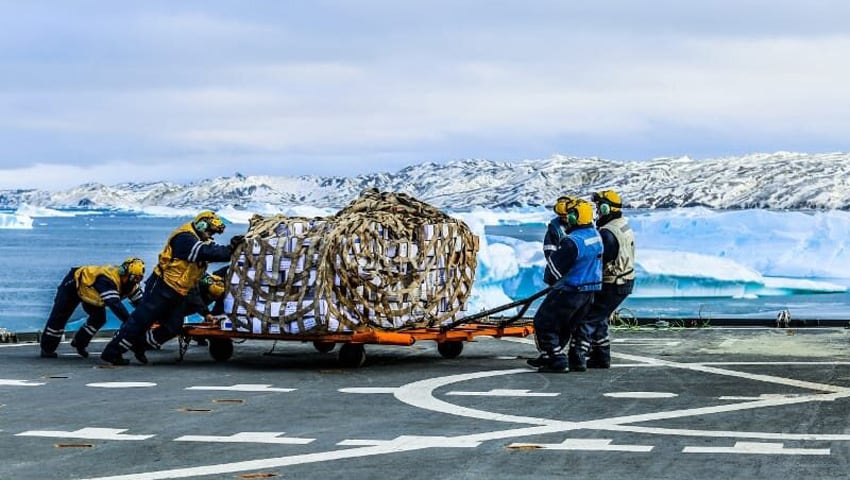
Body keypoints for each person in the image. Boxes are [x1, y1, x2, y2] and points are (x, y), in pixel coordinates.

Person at [100, 211, 242, 365]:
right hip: (161, 287)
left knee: (173, 327)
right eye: (210, 231)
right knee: (140, 321)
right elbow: (204, 252)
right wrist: (230, 249)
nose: (210, 235)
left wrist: (205, 312)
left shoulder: (201, 241)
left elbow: (194, 280)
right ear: (202, 224)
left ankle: (140, 345)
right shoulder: (184, 237)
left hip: (179, 292)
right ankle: (111, 353)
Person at [528, 197, 603, 372]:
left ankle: (556, 358)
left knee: (544, 321)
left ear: (575, 217)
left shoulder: (573, 241)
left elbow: (554, 270)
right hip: (589, 291)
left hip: (571, 289)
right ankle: (558, 357)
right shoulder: (596, 236)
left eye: (570, 215)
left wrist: (552, 283)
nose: (567, 218)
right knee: (568, 324)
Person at [39, 257, 145, 358]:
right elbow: (115, 305)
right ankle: (47, 348)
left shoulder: (131, 286)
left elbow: (143, 304)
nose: (132, 281)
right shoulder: (108, 279)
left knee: (98, 319)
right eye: (131, 277)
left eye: (137, 279)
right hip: (74, 284)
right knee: (59, 316)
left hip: (92, 293)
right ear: (123, 271)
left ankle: (79, 342)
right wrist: (130, 322)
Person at [577, 189, 635, 369]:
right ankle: (601, 356)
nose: (597, 211)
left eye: (598, 207)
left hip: (613, 282)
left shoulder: (608, 233)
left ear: (606, 208)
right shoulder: (622, 225)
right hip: (624, 280)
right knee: (599, 317)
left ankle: (577, 356)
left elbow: (601, 260)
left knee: (587, 318)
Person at [144, 266, 228, 350]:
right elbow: (194, 297)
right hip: (170, 298)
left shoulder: (216, 284)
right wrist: (207, 314)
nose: (212, 298)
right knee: (174, 325)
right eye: (211, 296)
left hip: (176, 299)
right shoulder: (194, 281)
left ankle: (151, 338)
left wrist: (214, 318)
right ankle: (148, 340)